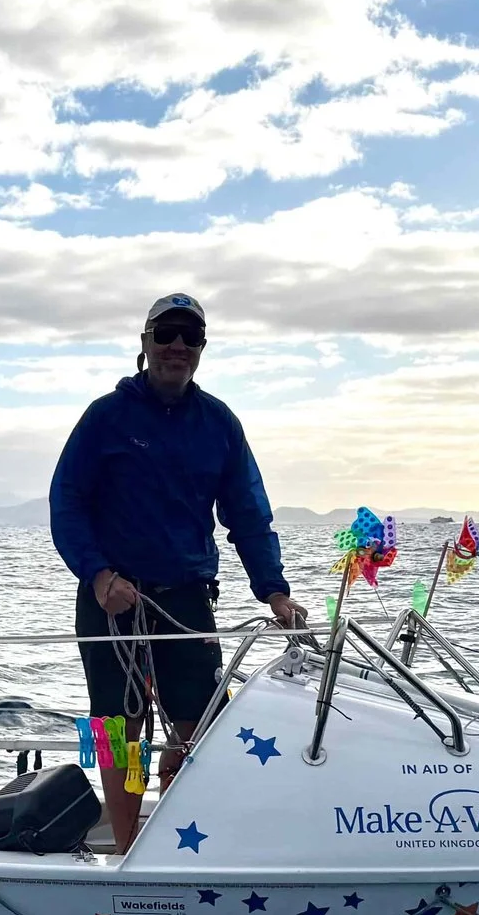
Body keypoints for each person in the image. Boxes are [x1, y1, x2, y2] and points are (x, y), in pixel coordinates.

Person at [50, 294, 298, 849]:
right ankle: (126, 842)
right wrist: (97, 576)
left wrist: (275, 592)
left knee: (196, 726)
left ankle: (180, 842)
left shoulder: (219, 424)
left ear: (202, 349)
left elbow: (249, 513)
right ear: (144, 343)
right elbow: (67, 503)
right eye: (166, 334)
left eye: (191, 336)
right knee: (120, 730)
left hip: (185, 599)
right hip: (111, 600)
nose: (178, 346)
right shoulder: (105, 417)